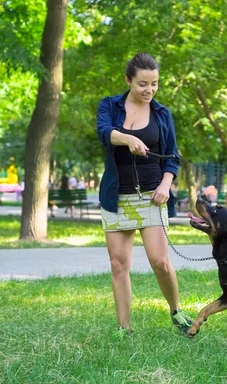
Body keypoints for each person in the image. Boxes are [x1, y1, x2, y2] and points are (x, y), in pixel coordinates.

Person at [96, 52, 192, 336]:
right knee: (118, 264)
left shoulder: (162, 114)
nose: (149, 90)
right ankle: (123, 328)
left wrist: (166, 185)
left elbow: (172, 156)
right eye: (142, 84)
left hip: (153, 194)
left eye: (155, 84)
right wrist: (128, 139)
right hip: (117, 196)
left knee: (159, 261)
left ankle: (176, 311)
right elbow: (104, 131)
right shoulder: (110, 106)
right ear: (128, 81)